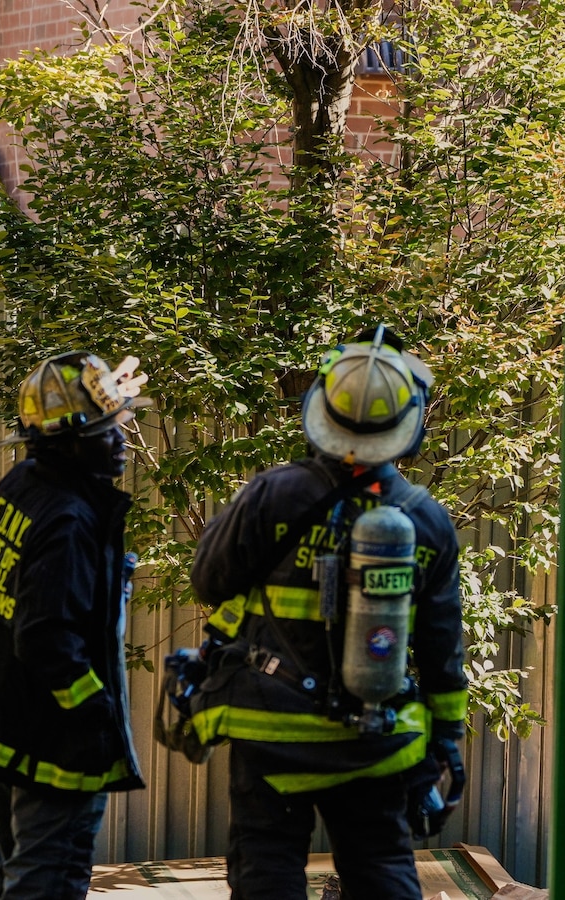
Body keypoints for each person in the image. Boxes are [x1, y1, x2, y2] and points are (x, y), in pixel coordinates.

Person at [189, 325, 468, 900]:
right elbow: (442, 651)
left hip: (271, 735)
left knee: (267, 869)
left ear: (319, 412)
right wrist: (446, 739)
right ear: (406, 429)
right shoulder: (427, 519)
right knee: (381, 868)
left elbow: (208, 581)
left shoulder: (273, 495)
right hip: (371, 737)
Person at [0, 351, 150, 900]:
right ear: (71, 444)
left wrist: (106, 396)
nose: (123, 441)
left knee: (8, 866)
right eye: (108, 432)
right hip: (51, 736)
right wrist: (93, 709)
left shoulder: (25, 481)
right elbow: (46, 636)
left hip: (2, 718)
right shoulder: (70, 518)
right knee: (47, 876)